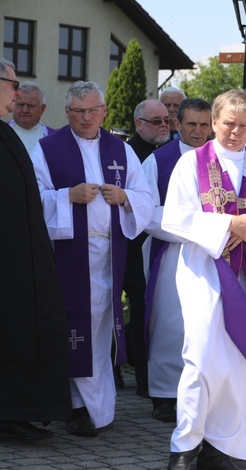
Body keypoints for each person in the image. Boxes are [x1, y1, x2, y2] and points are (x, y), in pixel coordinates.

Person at [162, 90, 246, 470]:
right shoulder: (191, 163)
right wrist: (228, 225)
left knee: (243, 361)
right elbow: (174, 217)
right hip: (206, 274)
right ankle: (185, 446)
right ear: (214, 123)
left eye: (244, 126)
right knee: (204, 359)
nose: (235, 132)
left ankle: (223, 445)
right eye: (228, 124)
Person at [31, 80, 153, 437]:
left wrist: (125, 196)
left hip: (108, 255)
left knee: (100, 327)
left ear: (104, 111)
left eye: (92, 110)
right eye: (78, 111)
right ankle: (76, 406)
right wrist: (67, 195)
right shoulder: (47, 149)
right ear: (66, 113)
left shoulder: (121, 149)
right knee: (73, 328)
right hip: (67, 254)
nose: (86, 117)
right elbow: (32, 198)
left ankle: (98, 406)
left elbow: (145, 196)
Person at [0, 58, 71, 441]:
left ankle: (13, 411)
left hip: (19, 259)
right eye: (13, 85)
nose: (17, 93)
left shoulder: (5, 133)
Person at [141, 98, 212, 423]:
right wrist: (192, 228)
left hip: (214, 252)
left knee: (208, 324)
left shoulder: (221, 160)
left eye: (203, 124)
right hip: (173, 252)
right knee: (170, 324)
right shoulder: (159, 160)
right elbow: (145, 211)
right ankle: (166, 395)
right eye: (191, 125)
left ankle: (206, 392)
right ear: (177, 124)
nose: (198, 131)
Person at [124, 99, 172, 398]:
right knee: (141, 307)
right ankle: (143, 378)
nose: (164, 125)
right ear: (139, 124)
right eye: (156, 121)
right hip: (135, 244)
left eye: (167, 119)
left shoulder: (175, 153)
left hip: (168, 241)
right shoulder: (126, 154)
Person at [9, 82, 56, 154]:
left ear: (42, 108)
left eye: (30, 106)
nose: (24, 110)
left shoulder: (54, 137)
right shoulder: (2, 132)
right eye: (20, 105)